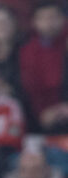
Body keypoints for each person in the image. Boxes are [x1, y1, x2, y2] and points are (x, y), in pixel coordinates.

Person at [17, 0, 68, 132]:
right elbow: (31, 88)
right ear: (34, 22)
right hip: (46, 115)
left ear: (63, 19)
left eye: (53, 17)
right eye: (43, 18)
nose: (49, 23)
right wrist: (47, 111)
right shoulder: (29, 51)